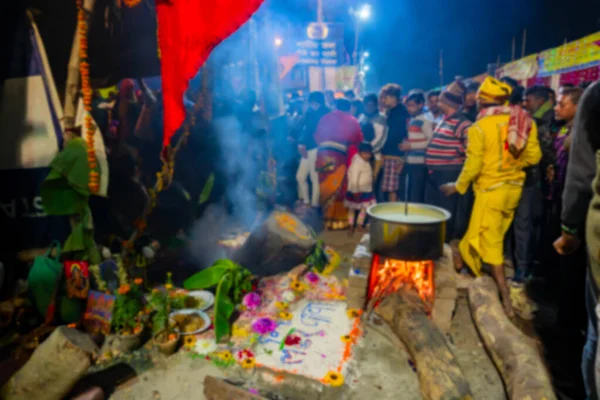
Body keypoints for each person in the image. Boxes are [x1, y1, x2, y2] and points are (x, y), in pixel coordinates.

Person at [441, 77, 541, 317]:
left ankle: (505, 297)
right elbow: (534, 157)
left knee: (490, 240)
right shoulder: (525, 121)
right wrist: (512, 166)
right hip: (514, 189)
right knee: (490, 234)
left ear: (481, 103)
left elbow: (473, 164)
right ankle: (479, 276)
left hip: (491, 191)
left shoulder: (480, 127)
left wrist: (458, 186)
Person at [553, 81, 600, 400]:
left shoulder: (596, 96)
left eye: (562, 103)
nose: (558, 108)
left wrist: (569, 229)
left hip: (588, 226)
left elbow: (581, 175)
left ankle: (571, 376)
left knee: (595, 330)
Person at [424, 80, 472, 241]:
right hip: (435, 172)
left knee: (446, 211)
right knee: (433, 210)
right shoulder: (444, 120)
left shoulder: (463, 123)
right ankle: (433, 240)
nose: (437, 103)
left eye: (440, 100)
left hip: (449, 173)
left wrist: (457, 153)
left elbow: (471, 149)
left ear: (446, 103)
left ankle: (443, 242)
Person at [314, 98, 364, 230]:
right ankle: (338, 222)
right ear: (349, 108)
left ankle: (326, 220)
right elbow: (358, 139)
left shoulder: (324, 118)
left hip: (322, 155)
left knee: (326, 185)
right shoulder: (352, 120)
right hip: (339, 156)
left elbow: (317, 136)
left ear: (335, 106)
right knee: (339, 187)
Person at [296, 92, 330, 209]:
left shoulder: (322, 113)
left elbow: (309, 130)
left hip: (316, 149)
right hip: (308, 148)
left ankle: (314, 205)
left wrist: (302, 144)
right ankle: (306, 202)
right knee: (300, 176)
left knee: (314, 178)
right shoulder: (312, 112)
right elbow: (304, 129)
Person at [379, 83, 410, 202]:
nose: (382, 100)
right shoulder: (394, 111)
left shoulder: (399, 113)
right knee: (390, 187)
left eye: (384, 97)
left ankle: (392, 216)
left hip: (394, 154)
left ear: (393, 97)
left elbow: (394, 136)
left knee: (393, 188)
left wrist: (382, 149)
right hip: (392, 153)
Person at [403, 90, 434, 202]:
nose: (409, 108)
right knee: (410, 193)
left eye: (412, 105)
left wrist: (411, 146)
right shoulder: (413, 120)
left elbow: (430, 140)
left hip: (420, 162)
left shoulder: (425, 120)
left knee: (416, 194)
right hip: (411, 161)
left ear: (420, 105)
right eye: (408, 105)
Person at [345, 142, 376, 235]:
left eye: (369, 153)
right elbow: (354, 178)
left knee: (364, 209)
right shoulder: (357, 163)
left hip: (366, 190)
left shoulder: (365, 161)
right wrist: (355, 192)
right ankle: (351, 226)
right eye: (365, 153)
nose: (368, 155)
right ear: (359, 153)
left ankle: (359, 225)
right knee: (352, 209)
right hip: (356, 191)